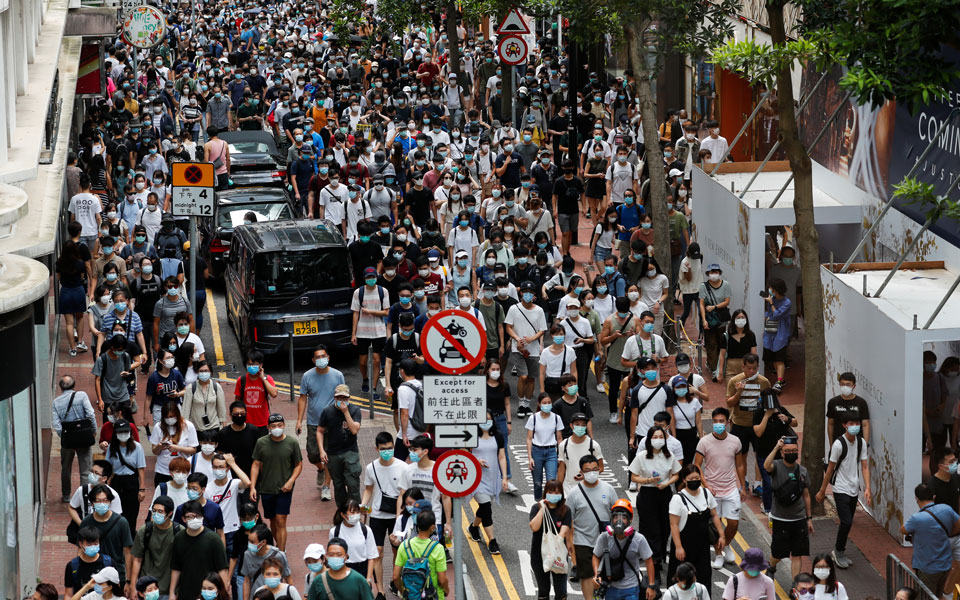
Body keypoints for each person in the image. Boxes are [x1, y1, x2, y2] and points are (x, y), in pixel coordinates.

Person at [815, 417, 872, 569]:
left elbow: (865, 467)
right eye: (851, 423)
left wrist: (867, 488)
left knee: (848, 522)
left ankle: (839, 549)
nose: (855, 426)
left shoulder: (861, 443)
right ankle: (839, 551)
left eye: (857, 423)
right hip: (840, 488)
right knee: (846, 521)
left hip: (854, 488)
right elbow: (830, 469)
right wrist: (822, 491)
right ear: (844, 425)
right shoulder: (838, 444)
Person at [694, 408, 745, 568]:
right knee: (714, 526)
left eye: (721, 421)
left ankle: (726, 545)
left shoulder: (735, 441)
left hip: (730, 489)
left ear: (728, 422)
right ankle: (718, 555)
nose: (718, 424)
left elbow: (740, 465)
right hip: (712, 491)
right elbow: (697, 466)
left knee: (733, 523)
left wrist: (743, 486)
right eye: (715, 421)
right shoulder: (704, 442)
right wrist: (707, 486)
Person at [630, 425, 680, 577]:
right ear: (649, 439)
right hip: (647, 493)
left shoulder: (669, 455)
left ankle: (659, 554)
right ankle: (654, 559)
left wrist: (667, 483)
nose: (658, 440)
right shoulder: (642, 456)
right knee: (651, 528)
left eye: (661, 437)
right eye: (655, 437)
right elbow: (634, 476)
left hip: (664, 493)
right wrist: (648, 480)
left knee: (665, 527)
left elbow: (676, 474)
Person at [296, 344, 346, 498]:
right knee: (312, 454)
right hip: (313, 422)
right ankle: (321, 469)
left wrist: (344, 418)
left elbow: (343, 397)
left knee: (329, 456)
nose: (321, 359)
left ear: (328, 357)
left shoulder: (338, 375)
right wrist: (299, 420)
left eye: (323, 356)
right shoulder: (307, 376)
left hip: (333, 422)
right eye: (317, 357)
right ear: (313, 360)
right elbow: (303, 398)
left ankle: (326, 486)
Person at [667, 464, 725, 592]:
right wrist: (678, 547)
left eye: (697, 478)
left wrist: (721, 535)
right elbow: (674, 525)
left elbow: (714, 515)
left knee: (704, 578)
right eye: (691, 479)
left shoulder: (706, 493)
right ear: (684, 480)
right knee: (681, 581)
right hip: (684, 547)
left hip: (702, 547)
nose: (695, 481)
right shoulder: (677, 499)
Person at [250, 413, 303, 552]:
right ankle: (277, 547)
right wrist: (252, 487)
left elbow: (298, 465)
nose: (277, 428)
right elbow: (256, 464)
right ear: (268, 427)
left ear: (284, 425)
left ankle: (281, 552)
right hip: (266, 488)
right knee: (272, 520)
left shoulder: (292, 442)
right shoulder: (261, 442)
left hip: (284, 489)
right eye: (273, 426)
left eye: (279, 425)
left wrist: (290, 481)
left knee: (281, 520)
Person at [566, 454, 616, 600]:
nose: (592, 472)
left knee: (607, 572)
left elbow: (617, 513)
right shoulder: (574, 494)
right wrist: (569, 541)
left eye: (595, 469)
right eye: (587, 470)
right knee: (587, 575)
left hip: (606, 539)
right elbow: (569, 520)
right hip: (583, 540)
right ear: (581, 472)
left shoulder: (608, 489)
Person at [361, 431, 406, 586]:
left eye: (389, 448)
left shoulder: (403, 467)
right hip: (377, 516)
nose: (387, 451)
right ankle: (380, 589)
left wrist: (400, 518)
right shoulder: (370, 467)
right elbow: (368, 490)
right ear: (376, 449)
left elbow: (404, 493)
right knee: (377, 552)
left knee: (397, 551)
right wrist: (363, 511)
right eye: (383, 449)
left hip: (397, 517)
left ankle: (396, 581)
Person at [765, 436, 813, 578]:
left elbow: (806, 495)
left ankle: (795, 586)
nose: (791, 453)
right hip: (780, 519)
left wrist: (809, 518)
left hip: (799, 519)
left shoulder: (802, 471)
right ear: (782, 453)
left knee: (797, 554)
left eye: (794, 450)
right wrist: (776, 447)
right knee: (778, 553)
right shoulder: (777, 466)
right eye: (788, 451)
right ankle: (771, 566)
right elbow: (766, 466)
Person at [592, 499, 657, 600]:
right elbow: (596, 556)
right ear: (611, 519)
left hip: (631, 588)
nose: (619, 521)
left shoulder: (639, 539)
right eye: (615, 517)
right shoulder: (604, 538)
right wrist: (596, 574)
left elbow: (649, 561)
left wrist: (651, 585)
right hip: (610, 587)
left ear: (630, 520)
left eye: (624, 517)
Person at [901, 483, 960, 595]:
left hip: (927, 568)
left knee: (924, 596)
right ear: (933, 497)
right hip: (945, 564)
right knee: (937, 595)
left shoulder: (917, 518)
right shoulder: (946, 509)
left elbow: (903, 530)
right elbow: (958, 525)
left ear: (916, 499)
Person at [725, 352, 770, 494]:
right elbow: (729, 402)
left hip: (758, 426)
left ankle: (757, 484)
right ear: (743, 366)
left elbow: (769, 403)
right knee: (741, 455)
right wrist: (739, 392)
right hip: (740, 424)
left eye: (754, 368)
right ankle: (743, 481)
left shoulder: (764, 382)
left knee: (760, 455)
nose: (751, 371)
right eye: (749, 368)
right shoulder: (734, 381)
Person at [169, 500, 230, 600]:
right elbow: (176, 568)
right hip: (186, 593)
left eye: (198, 516)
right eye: (190, 517)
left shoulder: (214, 539)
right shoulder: (179, 538)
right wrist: (172, 592)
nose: (195, 519)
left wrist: (224, 594)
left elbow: (222, 568)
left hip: (208, 594)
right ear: (184, 519)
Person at [467, 411, 509, 555]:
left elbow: (502, 456)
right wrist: (476, 461)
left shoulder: (498, 436)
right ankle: (492, 540)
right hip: (476, 478)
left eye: (489, 419)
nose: (486, 421)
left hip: (492, 477)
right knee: (486, 506)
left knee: (485, 506)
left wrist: (504, 477)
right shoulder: (471, 435)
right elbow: (463, 453)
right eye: (483, 419)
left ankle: (473, 527)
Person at [505, 281, 548, 417]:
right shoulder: (514, 309)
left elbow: (542, 330)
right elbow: (508, 327)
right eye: (525, 292)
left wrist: (532, 339)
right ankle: (520, 403)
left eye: (531, 292)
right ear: (521, 293)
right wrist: (518, 339)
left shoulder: (539, 310)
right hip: (518, 348)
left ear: (534, 295)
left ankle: (527, 404)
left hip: (534, 349)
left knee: (531, 378)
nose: (528, 295)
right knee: (522, 377)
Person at [317, 384, 363, 508]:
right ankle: (343, 510)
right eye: (339, 398)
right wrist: (322, 450)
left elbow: (354, 430)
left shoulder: (354, 410)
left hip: (350, 451)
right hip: (333, 453)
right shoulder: (327, 411)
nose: (342, 401)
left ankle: (355, 509)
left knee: (352, 482)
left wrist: (346, 412)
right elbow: (320, 431)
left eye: (344, 398)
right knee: (338, 484)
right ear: (334, 398)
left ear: (349, 398)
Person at [54, 375, 98, 502]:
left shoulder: (56, 402)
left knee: (66, 468)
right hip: (84, 436)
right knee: (85, 469)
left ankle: (66, 495)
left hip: (68, 439)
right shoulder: (82, 395)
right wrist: (93, 431)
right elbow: (90, 414)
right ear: (74, 385)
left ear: (60, 387)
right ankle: (84, 497)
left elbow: (57, 425)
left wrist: (64, 436)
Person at [80, 484, 134, 585]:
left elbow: (127, 552)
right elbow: (80, 549)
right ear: (92, 503)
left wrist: (129, 580)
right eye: (98, 501)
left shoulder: (121, 522)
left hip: (116, 576)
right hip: (92, 576)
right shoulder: (86, 522)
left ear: (110, 502)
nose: (102, 504)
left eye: (105, 500)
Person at [128, 496, 180, 599]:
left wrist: (174, 591)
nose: (156, 514)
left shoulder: (178, 532)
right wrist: (133, 586)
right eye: (154, 510)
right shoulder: (145, 530)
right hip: (147, 588)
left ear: (169, 513)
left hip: (168, 589)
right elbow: (137, 559)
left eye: (160, 511)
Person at [529, 481, 572, 600]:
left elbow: (563, 531)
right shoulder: (536, 508)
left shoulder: (565, 510)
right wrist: (543, 509)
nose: (554, 494)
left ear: (562, 494)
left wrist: (562, 542)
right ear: (545, 493)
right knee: (543, 591)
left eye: (557, 492)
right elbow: (534, 527)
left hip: (558, 555)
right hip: (539, 556)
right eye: (551, 491)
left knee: (561, 592)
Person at [392, 510, 449, 600]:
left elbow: (395, 576)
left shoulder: (404, 546)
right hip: (434, 596)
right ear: (433, 527)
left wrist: (404, 592)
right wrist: (446, 590)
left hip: (412, 596)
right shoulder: (438, 548)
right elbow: (442, 579)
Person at [104, 419, 147, 534]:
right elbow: (108, 467)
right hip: (116, 481)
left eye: (125, 432)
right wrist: (106, 482)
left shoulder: (137, 447)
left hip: (131, 481)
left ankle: (130, 538)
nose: (123, 434)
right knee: (116, 512)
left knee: (131, 513)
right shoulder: (112, 447)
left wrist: (142, 489)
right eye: (120, 432)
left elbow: (141, 469)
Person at [351, 267, 390, 395]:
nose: (371, 280)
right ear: (364, 279)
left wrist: (370, 312)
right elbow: (356, 313)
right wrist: (353, 334)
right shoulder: (358, 292)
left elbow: (386, 312)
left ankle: (373, 389)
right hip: (362, 331)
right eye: (368, 278)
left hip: (379, 331)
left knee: (377, 360)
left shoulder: (382, 291)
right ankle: (365, 379)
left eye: (373, 277)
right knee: (362, 362)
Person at [484, 360, 519, 493]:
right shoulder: (481, 385)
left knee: (503, 449)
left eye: (497, 369)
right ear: (487, 370)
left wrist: (509, 422)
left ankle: (507, 480)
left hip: (500, 419)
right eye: (493, 369)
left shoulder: (504, 385)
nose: (495, 372)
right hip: (485, 421)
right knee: (485, 448)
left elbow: (507, 404)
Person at [310, 537, 375, 600]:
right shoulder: (318, 581)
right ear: (326, 556)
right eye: (331, 554)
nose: (335, 557)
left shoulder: (358, 580)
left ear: (346, 556)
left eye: (339, 554)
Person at [526, 393, 564, 501]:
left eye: (549, 402)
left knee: (551, 481)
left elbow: (559, 438)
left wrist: (559, 456)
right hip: (536, 451)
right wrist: (530, 457)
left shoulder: (556, 418)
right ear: (539, 404)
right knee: (537, 483)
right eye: (544, 403)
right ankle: (538, 502)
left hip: (551, 451)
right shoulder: (533, 418)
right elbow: (529, 438)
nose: (547, 405)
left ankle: (550, 504)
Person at [149, 402, 197, 486]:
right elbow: (154, 451)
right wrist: (159, 446)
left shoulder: (188, 426)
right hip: (163, 470)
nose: (169, 419)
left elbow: (193, 450)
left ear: (177, 415)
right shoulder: (158, 427)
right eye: (166, 417)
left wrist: (178, 448)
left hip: (182, 471)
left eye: (171, 416)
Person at [241, 524, 292, 599]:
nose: (249, 544)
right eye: (249, 541)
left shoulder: (278, 555)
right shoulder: (247, 555)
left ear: (263, 542)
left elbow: (288, 578)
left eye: (252, 542)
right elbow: (246, 581)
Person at [699, 263, 731, 379]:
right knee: (711, 345)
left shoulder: (726, 285)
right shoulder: (703, 286)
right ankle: (714, 369)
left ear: (719, 273)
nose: (714, 274)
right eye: (711, 272)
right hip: (709, 320)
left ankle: (719, 366)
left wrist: (715, 307)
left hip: (721, 320)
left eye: (716, 272)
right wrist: (703, 320)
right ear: (708, 274)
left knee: (720, 343)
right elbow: (701, 304)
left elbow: (727, 301)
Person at [64, 527, 115, 599]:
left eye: (96, 543)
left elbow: (116, 591)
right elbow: (68, 594)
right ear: (81, 544)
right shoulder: (72, 566)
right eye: (89, 544)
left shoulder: (108, 563)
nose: (93, 546)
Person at [235, 351, 279, 436]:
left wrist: (263, 378)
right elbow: (237, 400)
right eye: (249, 364)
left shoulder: (267, 379)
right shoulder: (241, 380)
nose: (251, 366)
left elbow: (274, 394)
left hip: (263, 423)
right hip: (246, 423)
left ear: (260, 365)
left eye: (254, 364)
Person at [557, 414, 605, 489]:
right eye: (577, 424)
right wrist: (558, 488)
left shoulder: (594, 445)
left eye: (583, 425)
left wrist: (587, 475)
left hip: (589, 487)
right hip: (569, 488)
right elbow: (561, 469)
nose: (580, 427)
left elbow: (601, 468)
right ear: (571, 425)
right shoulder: (563, 445)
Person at [762, 277, 791, 392]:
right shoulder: (771, 299)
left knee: (779, 359)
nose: (769, 290)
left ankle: (779, 381)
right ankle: (781, 379)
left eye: (771, 288)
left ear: (776, 289)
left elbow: (777, 315)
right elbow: (769, 314)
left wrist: (772, 303)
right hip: (770, 333)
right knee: (773, 358)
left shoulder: (786, 302)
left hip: (781, 334)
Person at [826, 372, 871, 442]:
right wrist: (832, 445)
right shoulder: (833, 402)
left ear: (854, 386)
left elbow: (865, 425)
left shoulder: (861, 402)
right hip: (838, 443)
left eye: (848, 384)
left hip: (856, 443)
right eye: (842, 384)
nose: (845, 387)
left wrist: (864, 446)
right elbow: (830, 424)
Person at [395, 358, 426, 463]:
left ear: (402, 371)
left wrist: (404, 434)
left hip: (409, 432)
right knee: (418, 462)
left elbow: (404, 413)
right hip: (421, 430)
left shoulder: (403, 389)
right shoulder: (421, 384)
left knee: (399, 463)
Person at [181, 362, 226, 432]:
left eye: (206, 371)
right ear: (197, 373)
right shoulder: (190, 388)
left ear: (210, 372)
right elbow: (186, 410)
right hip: (196, 428)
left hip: (214, 427)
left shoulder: (216, 387)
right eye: (201, 371)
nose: (204, 373)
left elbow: (221, 408)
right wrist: (184, 426)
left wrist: (223, 423)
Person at [716, 309, 757, 384]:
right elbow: (722, 355)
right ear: (733, 320)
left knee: (745, 392)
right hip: (730, 368)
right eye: (738, 318)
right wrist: (720, 372)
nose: (740, 319)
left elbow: (754, 354)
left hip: (746, 367)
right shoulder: (726, 336)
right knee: (730, 391)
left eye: (743, 317)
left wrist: (754, 369)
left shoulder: (750, 335)